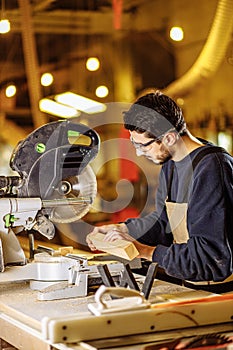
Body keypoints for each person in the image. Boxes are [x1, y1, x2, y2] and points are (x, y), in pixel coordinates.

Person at [86, 91, 233, 293]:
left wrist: (145, 251)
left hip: (223, 292)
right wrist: (122, 230)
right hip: (192, 286)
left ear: (169, 138)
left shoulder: (211, 168)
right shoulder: (171, 165)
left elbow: (208, 256)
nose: (138, 153)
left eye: (142, 145)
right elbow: (164, 222)